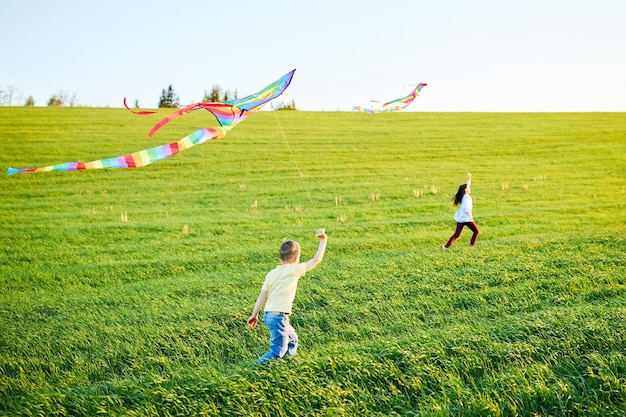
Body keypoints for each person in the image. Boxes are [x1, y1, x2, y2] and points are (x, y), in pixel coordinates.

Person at [247, 229, 328, 364]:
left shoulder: (272, 273)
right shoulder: (294, 270)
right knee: (277, 352)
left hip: (269, 315)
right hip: (279, 316)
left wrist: (254, 315)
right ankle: (253, 368)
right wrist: (323, 239)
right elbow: (316, 259)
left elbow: (263, 294)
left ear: (281, 257)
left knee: (292, 340)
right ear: (296, 259)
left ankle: (289, 365)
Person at [443, 173, 479, 248]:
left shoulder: (464, 195)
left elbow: (467, 186)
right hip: (467, 218)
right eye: (468, 188)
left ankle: (446, 246)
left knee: (457, 234)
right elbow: (466, 208)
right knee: (476, 231)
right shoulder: (466, 197)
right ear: (465, 190)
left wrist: (469, 179)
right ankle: (472, 245)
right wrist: (468, 212)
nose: (469, 188)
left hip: (460, 218)